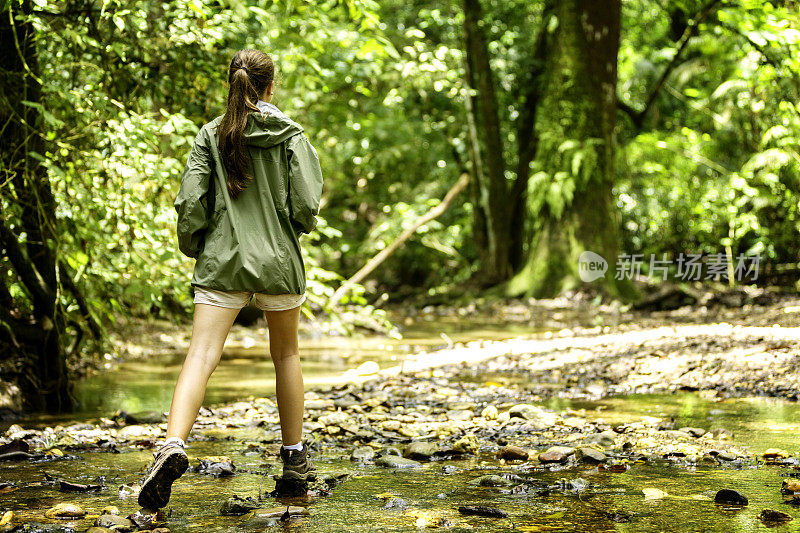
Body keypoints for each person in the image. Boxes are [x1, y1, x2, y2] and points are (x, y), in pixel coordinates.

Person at [137, 49, 324, 510]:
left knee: (200, 355)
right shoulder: (291, 135)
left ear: (232, 83)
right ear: (270, 87)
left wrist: (197, 245)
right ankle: (294, 460)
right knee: (286, 355)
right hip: (279, 263)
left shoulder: (209, 136)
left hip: (222, 261)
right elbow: (306, 205)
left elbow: (190, 205)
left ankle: (172, 446)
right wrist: (284, 233)